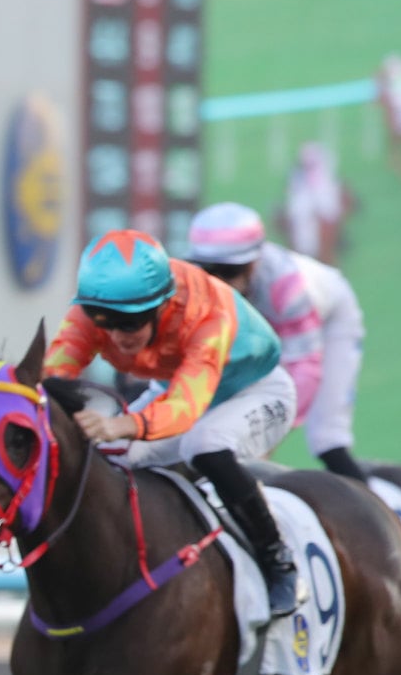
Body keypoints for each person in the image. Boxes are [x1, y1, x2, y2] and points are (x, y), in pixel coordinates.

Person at [44, 229, 301, 616]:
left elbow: (186, 408)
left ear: (162, 306)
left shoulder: (206, 314)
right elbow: (50, 377)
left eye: (129, 322)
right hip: (176, 388)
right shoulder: (93, 310)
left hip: (255, 390)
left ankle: (277, 558)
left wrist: (123, 425)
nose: (115, 335)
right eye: (103, 320)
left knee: (204, 444)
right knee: (112, 458)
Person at [186, 201, 369, 483]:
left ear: (254, 262)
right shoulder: (190, 284)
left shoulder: (287, 288)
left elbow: (304, 373)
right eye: (210, 272)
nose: (220, 283)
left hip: (329, 320)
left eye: (230, 272)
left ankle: (381, 517)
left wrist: (266, 439)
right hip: (267, 328)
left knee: (327, 439)